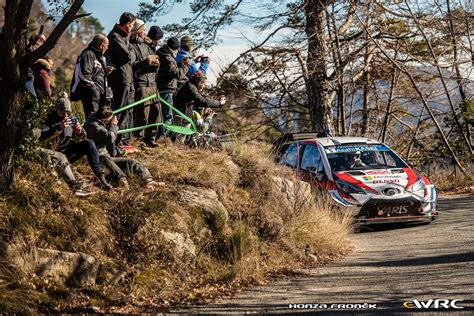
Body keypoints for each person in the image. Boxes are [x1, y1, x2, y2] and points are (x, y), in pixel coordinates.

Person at [35, 96, 113, 191]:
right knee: (61, 156)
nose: (65, 116)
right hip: (52, 154)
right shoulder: (48, 118)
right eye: (62, 113)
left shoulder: (71, 118)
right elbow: (40, 135)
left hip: (66, 151)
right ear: (56, 111)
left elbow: (83, 135)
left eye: (68, 113)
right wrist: (58, 127)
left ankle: (100, 176)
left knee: (89, 143)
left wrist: (79, 131)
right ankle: (72, 184)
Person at [84, 106, 157, 188]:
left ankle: (148, 181)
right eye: (109, 119)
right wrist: (113, 125)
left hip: (108, 157)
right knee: (106, 160)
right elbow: (110, 138)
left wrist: (118, 151)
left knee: (131, 162)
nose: (109, 121)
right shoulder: (92, 125)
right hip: (98, 159)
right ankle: (121, 180)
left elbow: (109, 142)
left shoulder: (101, 123)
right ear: (104, 118)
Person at [129, 19, 161, 147]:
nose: (145, 32)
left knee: (156, 113)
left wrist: (156, 64)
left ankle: (151, 139)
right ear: (137, 30)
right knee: (143, 114)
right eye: (143, 29)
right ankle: (138, 140)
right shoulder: (131, 46)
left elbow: (153, 62)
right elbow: (131, 66)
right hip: (141, 83)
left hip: (152, 83)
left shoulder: (147, 46)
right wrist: (145, 62)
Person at [107, 12, 136, 146]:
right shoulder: (115, 36)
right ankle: (112, 142)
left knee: (125, 111)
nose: (133, 28)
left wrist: (130, 50)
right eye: (132, 25)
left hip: (127, 78)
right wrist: (131, 51)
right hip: (119, 79)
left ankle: (119, 142)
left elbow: (131, 55)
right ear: (127, 24)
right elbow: (128, 56)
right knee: (119, 110)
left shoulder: (124, 37)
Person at [156, 37, 191, 140]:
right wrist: (186, 66)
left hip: (166, 88)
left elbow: (173, 70)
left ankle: (162, 136)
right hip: (166, 89)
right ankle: (163, 138)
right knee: (167, 116)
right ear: (175, 49)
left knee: (166, 115)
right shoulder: (167, 58)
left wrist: (180, 63)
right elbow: (176, 74)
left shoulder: (165, 55)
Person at [71, 34, 112, 118]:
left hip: (99, 96)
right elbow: (84, 74)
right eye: (106, 45)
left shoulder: (100, 57)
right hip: (90, 95)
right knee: (93, 121)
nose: (107, 48)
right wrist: (94, 89)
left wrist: (105, 71)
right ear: (101, 45)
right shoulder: (88, 54)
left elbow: (95, 74)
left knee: (100, 122)